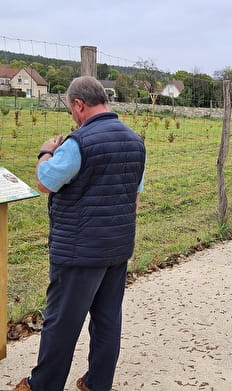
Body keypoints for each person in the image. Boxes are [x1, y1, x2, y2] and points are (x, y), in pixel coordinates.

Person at [13, 76, 146, 391]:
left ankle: (43, 384)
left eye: (72, 110)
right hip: (117, 247)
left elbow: (46, 182)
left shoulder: (78, 142)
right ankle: (97, 383)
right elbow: (135, 195)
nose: (73, 117)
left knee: (62, 322)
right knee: (107, 320)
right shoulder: (134, 141)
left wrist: (46, 152)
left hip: (79, 250)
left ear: (79, 104)